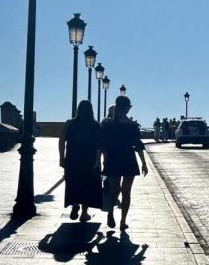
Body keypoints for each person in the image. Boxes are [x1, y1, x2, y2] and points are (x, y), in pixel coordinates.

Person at [100, 95, 148, 230]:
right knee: (126, 192)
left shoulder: (108, 124)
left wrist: (100, 161)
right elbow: (138, 146)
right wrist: (143, 163)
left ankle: (110, 213)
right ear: (128, 108)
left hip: (113, 160)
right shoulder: (132, 126)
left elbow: (102, 144)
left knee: (114, 190)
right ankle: (123, 221)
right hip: (128, 159)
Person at [59, 100, 102, 222]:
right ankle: (84, 212)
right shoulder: (95, 125)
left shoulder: (70, 123)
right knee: (87, 185)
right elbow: (99, 146)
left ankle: (74, 204)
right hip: (89, 159)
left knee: (73, 183)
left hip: (73, 157)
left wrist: (61, 158)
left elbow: (62, 141)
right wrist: (98, 162)